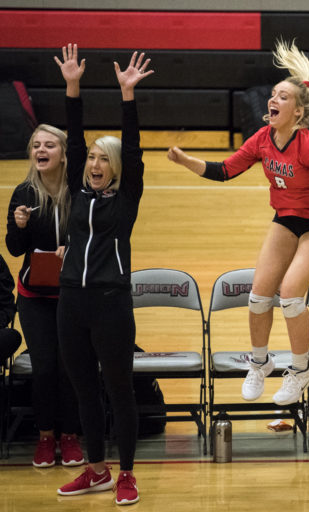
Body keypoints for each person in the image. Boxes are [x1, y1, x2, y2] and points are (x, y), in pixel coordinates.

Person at [167, 40, 309, 406]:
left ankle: (301, 369)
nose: (272, 100)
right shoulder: (263, 138)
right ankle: (260, 363)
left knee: (292, 294)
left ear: (297, 111)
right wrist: (186, 161)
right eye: (273, 94)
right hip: (287, 218)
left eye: (282, 96)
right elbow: (225, 170)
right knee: (259, 295)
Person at [53, 43, 152, 506]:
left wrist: (126, 96)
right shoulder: (77, 188)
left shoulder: (126, 197)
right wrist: (72, 86)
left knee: (118, 389)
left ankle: (126, 474)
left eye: (102, 159)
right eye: (90, 158)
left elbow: (131, 149)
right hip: (72, 300)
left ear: (114, 167)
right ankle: (95, 470)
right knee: (83, 390)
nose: (93, 165)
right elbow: (72, 137)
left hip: (112, 302)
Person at [5, 124, 84, 468]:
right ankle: (45, 437)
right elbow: (13, 248)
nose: (41, 150)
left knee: (70, 368)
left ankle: (70, 437)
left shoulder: (80, 193)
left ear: (64, 154)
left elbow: (93, 240)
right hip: (34, 296)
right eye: (36, 145)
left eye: (49, 145)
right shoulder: (24, 193)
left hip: (71, 295)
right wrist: (19, 227)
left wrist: (74, 251)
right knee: (45, 367)